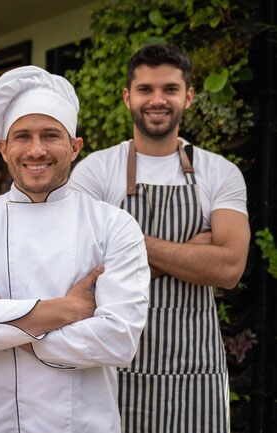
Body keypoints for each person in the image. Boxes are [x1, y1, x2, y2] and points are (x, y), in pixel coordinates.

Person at [0, 65, 151, 433]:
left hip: (81, 424)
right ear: (3, 148)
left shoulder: (113, 226)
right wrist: (67, 309)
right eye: (22, 136)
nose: (36, 150)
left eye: (50, 135)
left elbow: (118, 341)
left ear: (75, 147)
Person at [70, 44, 250, 433]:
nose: (157, 100)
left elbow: (230, 267)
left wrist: (126, 247)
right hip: (113, 369)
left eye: (169, 89)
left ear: (188, 96)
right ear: (127, 97)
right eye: (145, 89)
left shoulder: (220, 173)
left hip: (194, 371)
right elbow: (79, 271)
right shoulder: (95, 172)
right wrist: (194, 251)